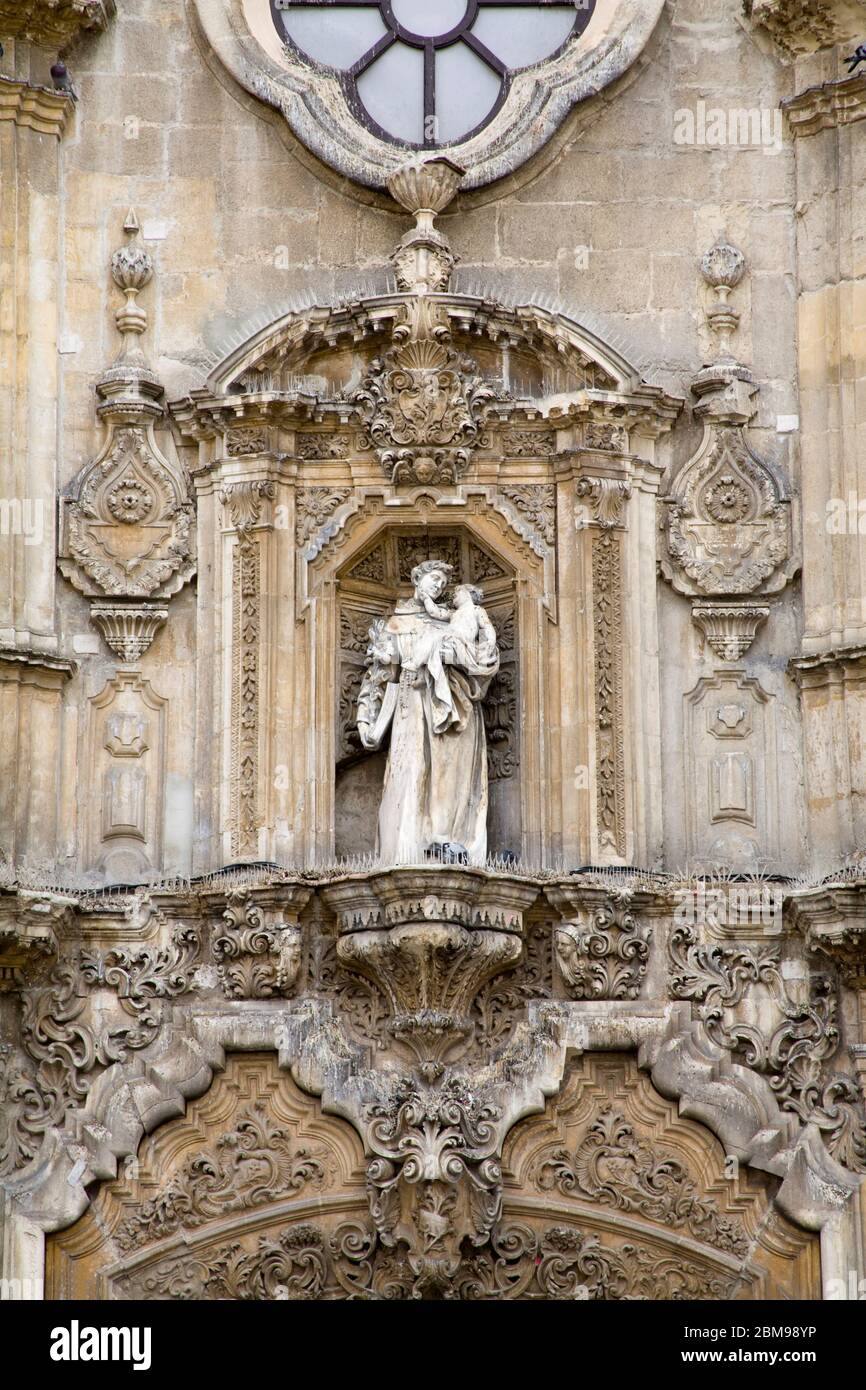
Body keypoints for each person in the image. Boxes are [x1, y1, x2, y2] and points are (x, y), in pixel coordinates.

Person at [357, 559, 499, 864]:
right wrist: (364, 719)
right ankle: (408, 850)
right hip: (413, 707)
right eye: (434, 579)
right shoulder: (398, 622)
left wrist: (458, 657)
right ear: (417, 580)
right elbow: (378, 677)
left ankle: (450, 842)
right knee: (412, 774)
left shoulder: (455, 620)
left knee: (452, 776)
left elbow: (482, 658)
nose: (438, 586)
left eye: (443, 584)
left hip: (456, 712)